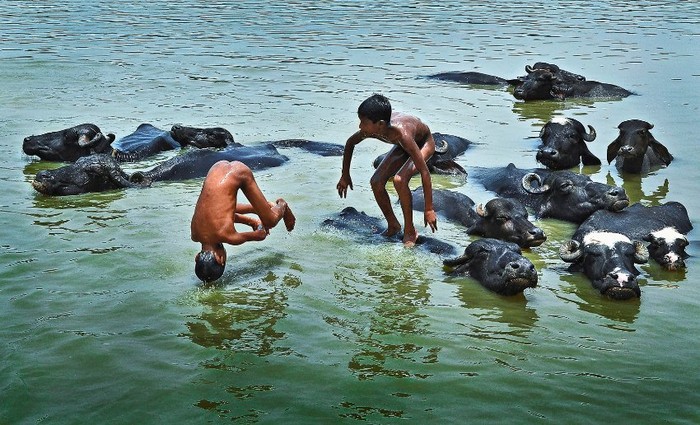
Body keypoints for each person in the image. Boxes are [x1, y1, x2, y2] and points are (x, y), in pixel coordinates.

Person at [336, 93, 438, 247]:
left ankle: (410, 231)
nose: (360, 127)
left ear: (381, 124)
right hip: (402, 146)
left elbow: (424, 172)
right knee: (376, 181)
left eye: (363, 122)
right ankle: (393, 225)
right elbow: (350, 143)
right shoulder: (372, 129)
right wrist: (345, 175)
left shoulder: (402, 134)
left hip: (423, 143)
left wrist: (429, 209)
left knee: (399, 179)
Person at [191, 160, 295, 282]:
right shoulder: (195, 234)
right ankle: (263, 207)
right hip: (216, 167)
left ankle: (282, 205)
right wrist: (252, 221)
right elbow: (223, 215)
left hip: (240, 173)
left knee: (270, 221)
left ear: (220, 259)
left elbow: (260, 235)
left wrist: (260, 227)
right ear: (197, 257)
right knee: (223, 206)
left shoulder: (230, 237)